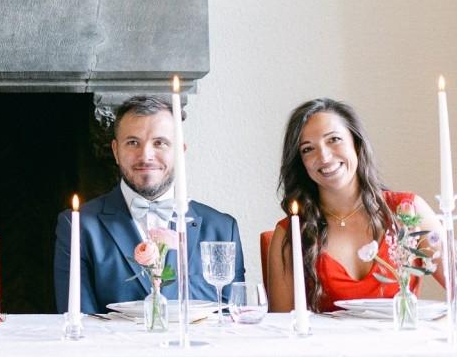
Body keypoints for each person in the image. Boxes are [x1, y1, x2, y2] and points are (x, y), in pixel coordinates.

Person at [53, 94, 245, 314]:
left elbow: (232, 324)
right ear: (116, 151)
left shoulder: (222, 228)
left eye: (160, 143)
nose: (146, 156)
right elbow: (78, 322)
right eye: (133, 142)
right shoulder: (78, 226)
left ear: (180, 151)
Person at [267, 98, 446, 313]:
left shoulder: (408, 211)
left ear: (357, 144)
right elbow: (280, 329)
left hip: (402, 345)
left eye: (334, 139)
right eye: (307, 149)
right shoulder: (290, 234)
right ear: (300, 163)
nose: (323, 157)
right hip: (327, 347)